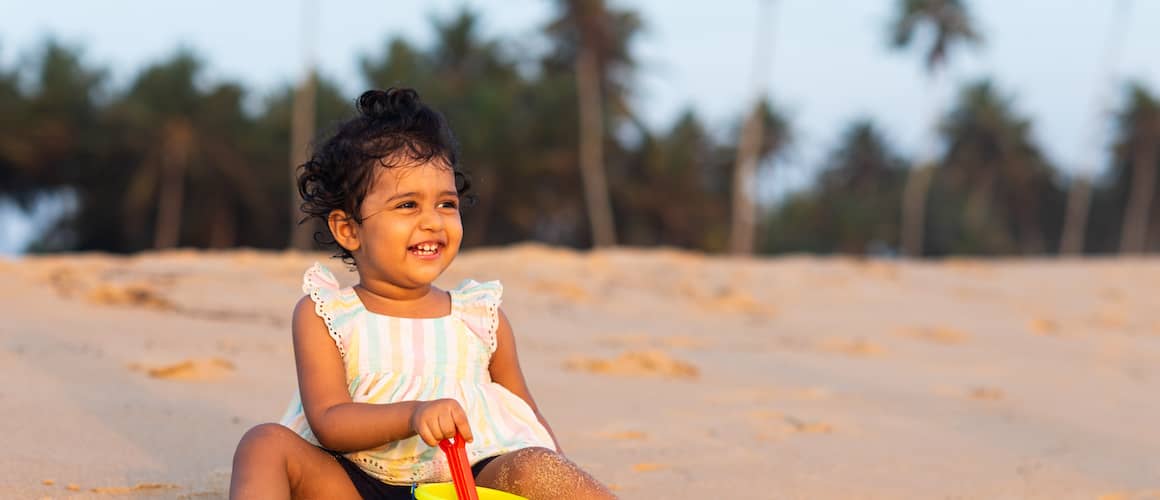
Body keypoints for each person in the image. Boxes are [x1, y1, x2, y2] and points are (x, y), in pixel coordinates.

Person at [229, 88, 616, 500]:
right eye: (408, 205)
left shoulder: (479, 318)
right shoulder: (328, 314)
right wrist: (413, 415)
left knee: (540, 465)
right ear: (349, 229)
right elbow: (328, 419)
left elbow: (527, 418)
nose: (433, 221)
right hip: (357, 483)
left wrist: (549, 466)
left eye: (446, 204)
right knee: (263, 443)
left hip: (467, 481)